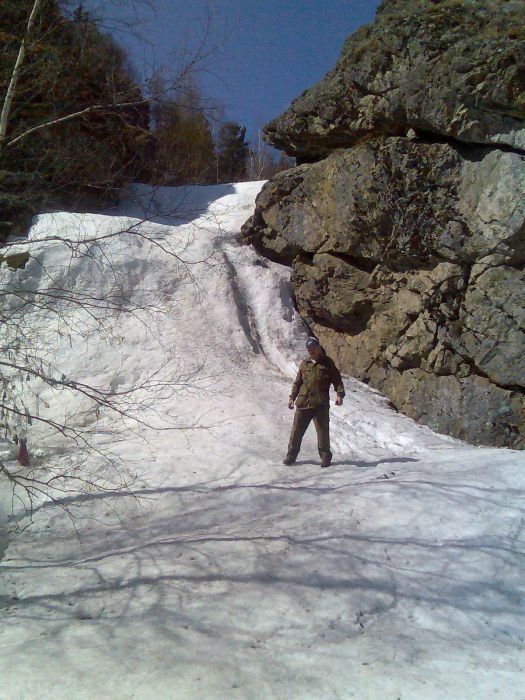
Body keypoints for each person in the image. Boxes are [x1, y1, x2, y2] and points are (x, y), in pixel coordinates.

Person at [284, 337, 345, 468]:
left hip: (320, 404)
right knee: (296, 432)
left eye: (313, 348)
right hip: (303, 403)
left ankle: (325, 457)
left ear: (318, 347)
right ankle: (291, 455)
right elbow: (298, 382)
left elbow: (337, 380)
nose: (311, 351)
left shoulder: (327, 363)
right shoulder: (304, 364)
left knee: (323, 432)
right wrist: (292, 398)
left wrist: (339, 395)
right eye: (309, 349)